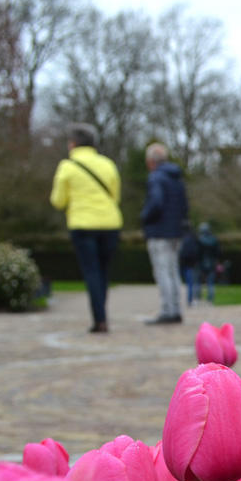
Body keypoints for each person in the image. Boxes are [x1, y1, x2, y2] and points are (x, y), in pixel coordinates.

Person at [49, 122, 122, 334]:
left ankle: (100, 319)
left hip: (83, 224)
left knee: (92, 272)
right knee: (103, 271)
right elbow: (115, 197)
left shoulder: (67, 167)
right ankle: (102, 314)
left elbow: (58, 200)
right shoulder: (108, 164)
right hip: (110, 224)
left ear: (73, 144)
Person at [140, 142, 189, 324]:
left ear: (151, 161)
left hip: (160, 232)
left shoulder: (156, 178)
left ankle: (168, 311)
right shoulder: (177, 178)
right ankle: (175, 309)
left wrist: (144, 217)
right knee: (173, 271)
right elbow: (184, 207)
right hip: (176, 231)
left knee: (163, 272)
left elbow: (156, 203)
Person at [196, 223, 221, 303]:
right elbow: (218, 252)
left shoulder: (199, 240)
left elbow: (197, 252)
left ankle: (198, 296)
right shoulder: (214, 239)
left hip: (201, 262)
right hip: (212, 262)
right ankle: (210, 297)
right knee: (211, 281)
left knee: (199, 280)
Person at [178, 225, 200, 305]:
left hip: (181, 261)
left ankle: (175, 301)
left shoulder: (179, 235)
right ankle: (189, 300)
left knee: (176, 281)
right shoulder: (193, 236)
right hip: (191, 263)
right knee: (190, 282)